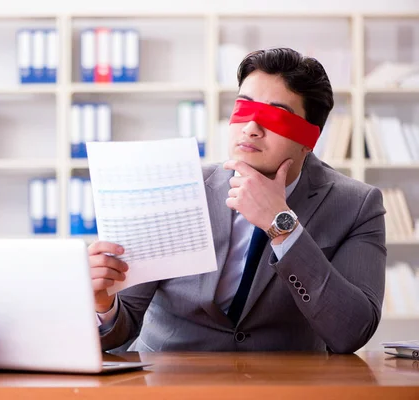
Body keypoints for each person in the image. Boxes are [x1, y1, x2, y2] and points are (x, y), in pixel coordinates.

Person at [88, 47, 386, 354]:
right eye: (244, 108)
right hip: (169, 379)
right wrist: (104, 303)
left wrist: (282, 226)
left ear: (309, 140)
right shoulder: (172, 186)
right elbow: (119, 330)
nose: (251, 128)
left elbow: (352, 333)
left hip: (287, 384)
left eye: (276, 116)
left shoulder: (357, 206)